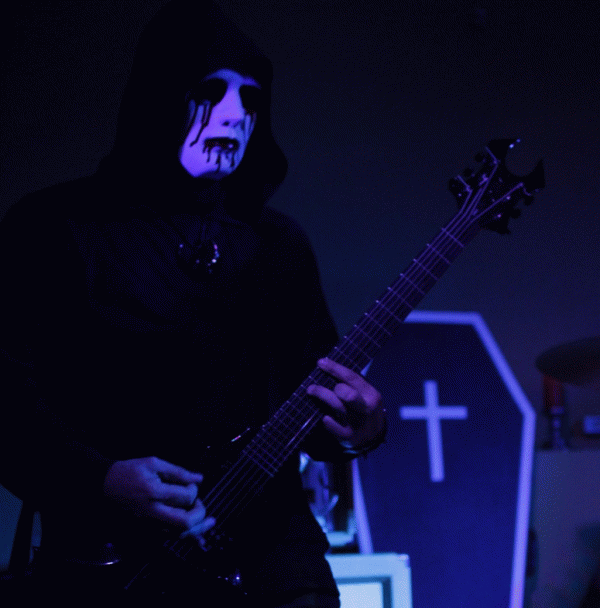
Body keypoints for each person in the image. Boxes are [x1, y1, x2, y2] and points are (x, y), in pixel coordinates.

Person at [0, 1, 385, 606]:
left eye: (251, 99)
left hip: (276, 569)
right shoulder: (55, 228)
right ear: (159, 95)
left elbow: (312, 408)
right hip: (112, 566)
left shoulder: (278, 245)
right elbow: (7, 402)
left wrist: (358, 427)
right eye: (210, 91)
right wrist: (101, 479)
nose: (234, 115)